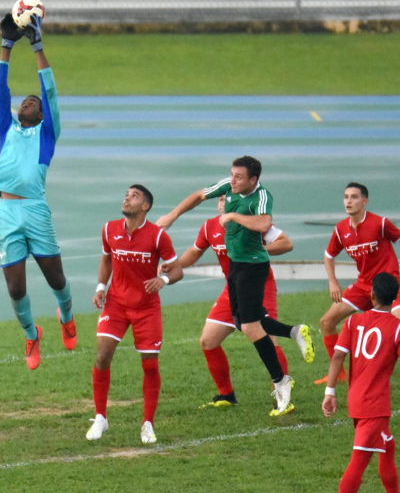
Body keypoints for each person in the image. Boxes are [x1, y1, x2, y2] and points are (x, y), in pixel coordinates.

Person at [156, 155, 313, 417]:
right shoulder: (213, 221)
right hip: (236, 275)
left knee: (256, 331)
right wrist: (172, 219)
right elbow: (198, 200)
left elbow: (269, 228)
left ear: (253, 179)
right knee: (223, 334)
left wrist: (236, 219)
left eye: (238, 178)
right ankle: (291, 335)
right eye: (231, 177)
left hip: (256, 273)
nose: (231, 184)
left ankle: (281, 388)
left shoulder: (260, 198)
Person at [0, 12, 76, 370]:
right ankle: (31, 334)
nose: (29, 101)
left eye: (35, 103)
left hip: (36, 210)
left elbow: (49, 92)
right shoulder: (6, 129)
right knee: (15, 289)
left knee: (56, 278)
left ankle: (66, 315)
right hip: (7, 213)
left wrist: (38, 47)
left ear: (43, 116)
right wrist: (6, 45)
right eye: (25, 100)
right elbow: (0, 90)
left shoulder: (47, 135)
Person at [86, 184, 183, 444]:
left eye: (134, 196)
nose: (127, 198)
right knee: (102, 356)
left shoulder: (158, 236)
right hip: (116, 304)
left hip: (146, 308)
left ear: (145, 206)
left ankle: (147, 423)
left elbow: (177, 270)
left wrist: (163, 279)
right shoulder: (109, 229)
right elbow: (107, 259)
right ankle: (100, 417)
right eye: (127, 194)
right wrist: (100, 287)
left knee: (150, 365)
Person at [315, 182, 400, 385]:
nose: (348, 201)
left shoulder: (380, 223)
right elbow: (328, 255)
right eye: (346, 197)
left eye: (354, 197)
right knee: (327, 322)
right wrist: (333, 282)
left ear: (364, 201)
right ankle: (340, 374)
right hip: (364, 286)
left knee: (396, 324)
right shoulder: (341, 229)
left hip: (389, 285)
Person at [322, 272, 400, 493]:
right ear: (394, 299)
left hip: (356, 400)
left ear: (372, 296)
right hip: (375, 406)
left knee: (388, 445)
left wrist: (330, 392)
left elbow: (338, 356)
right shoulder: (396, 327)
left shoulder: (352, 321)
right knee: (359, 462)